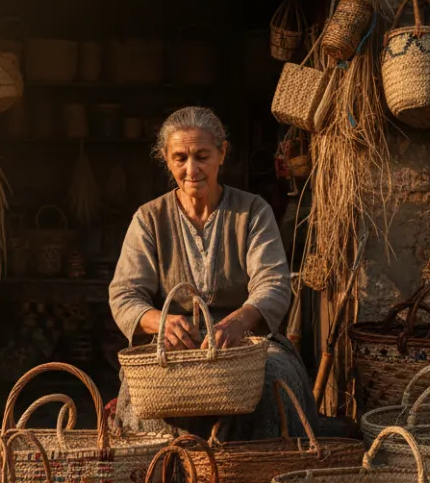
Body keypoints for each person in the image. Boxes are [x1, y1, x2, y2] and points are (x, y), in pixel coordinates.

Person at [108, 106, 316, 439]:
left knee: (272, 377)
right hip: (173, 348)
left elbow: (274, 285)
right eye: (179, 158)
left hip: (247, 343)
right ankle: (163, 477)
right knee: (142, 393)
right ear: (165, 158)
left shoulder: (252, 212)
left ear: (222, 154)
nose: (191, 169)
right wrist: (160, 322)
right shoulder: (149, 219)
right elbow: (124, 294)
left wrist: (236, 323)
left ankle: (259, 475)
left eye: (202, 156)